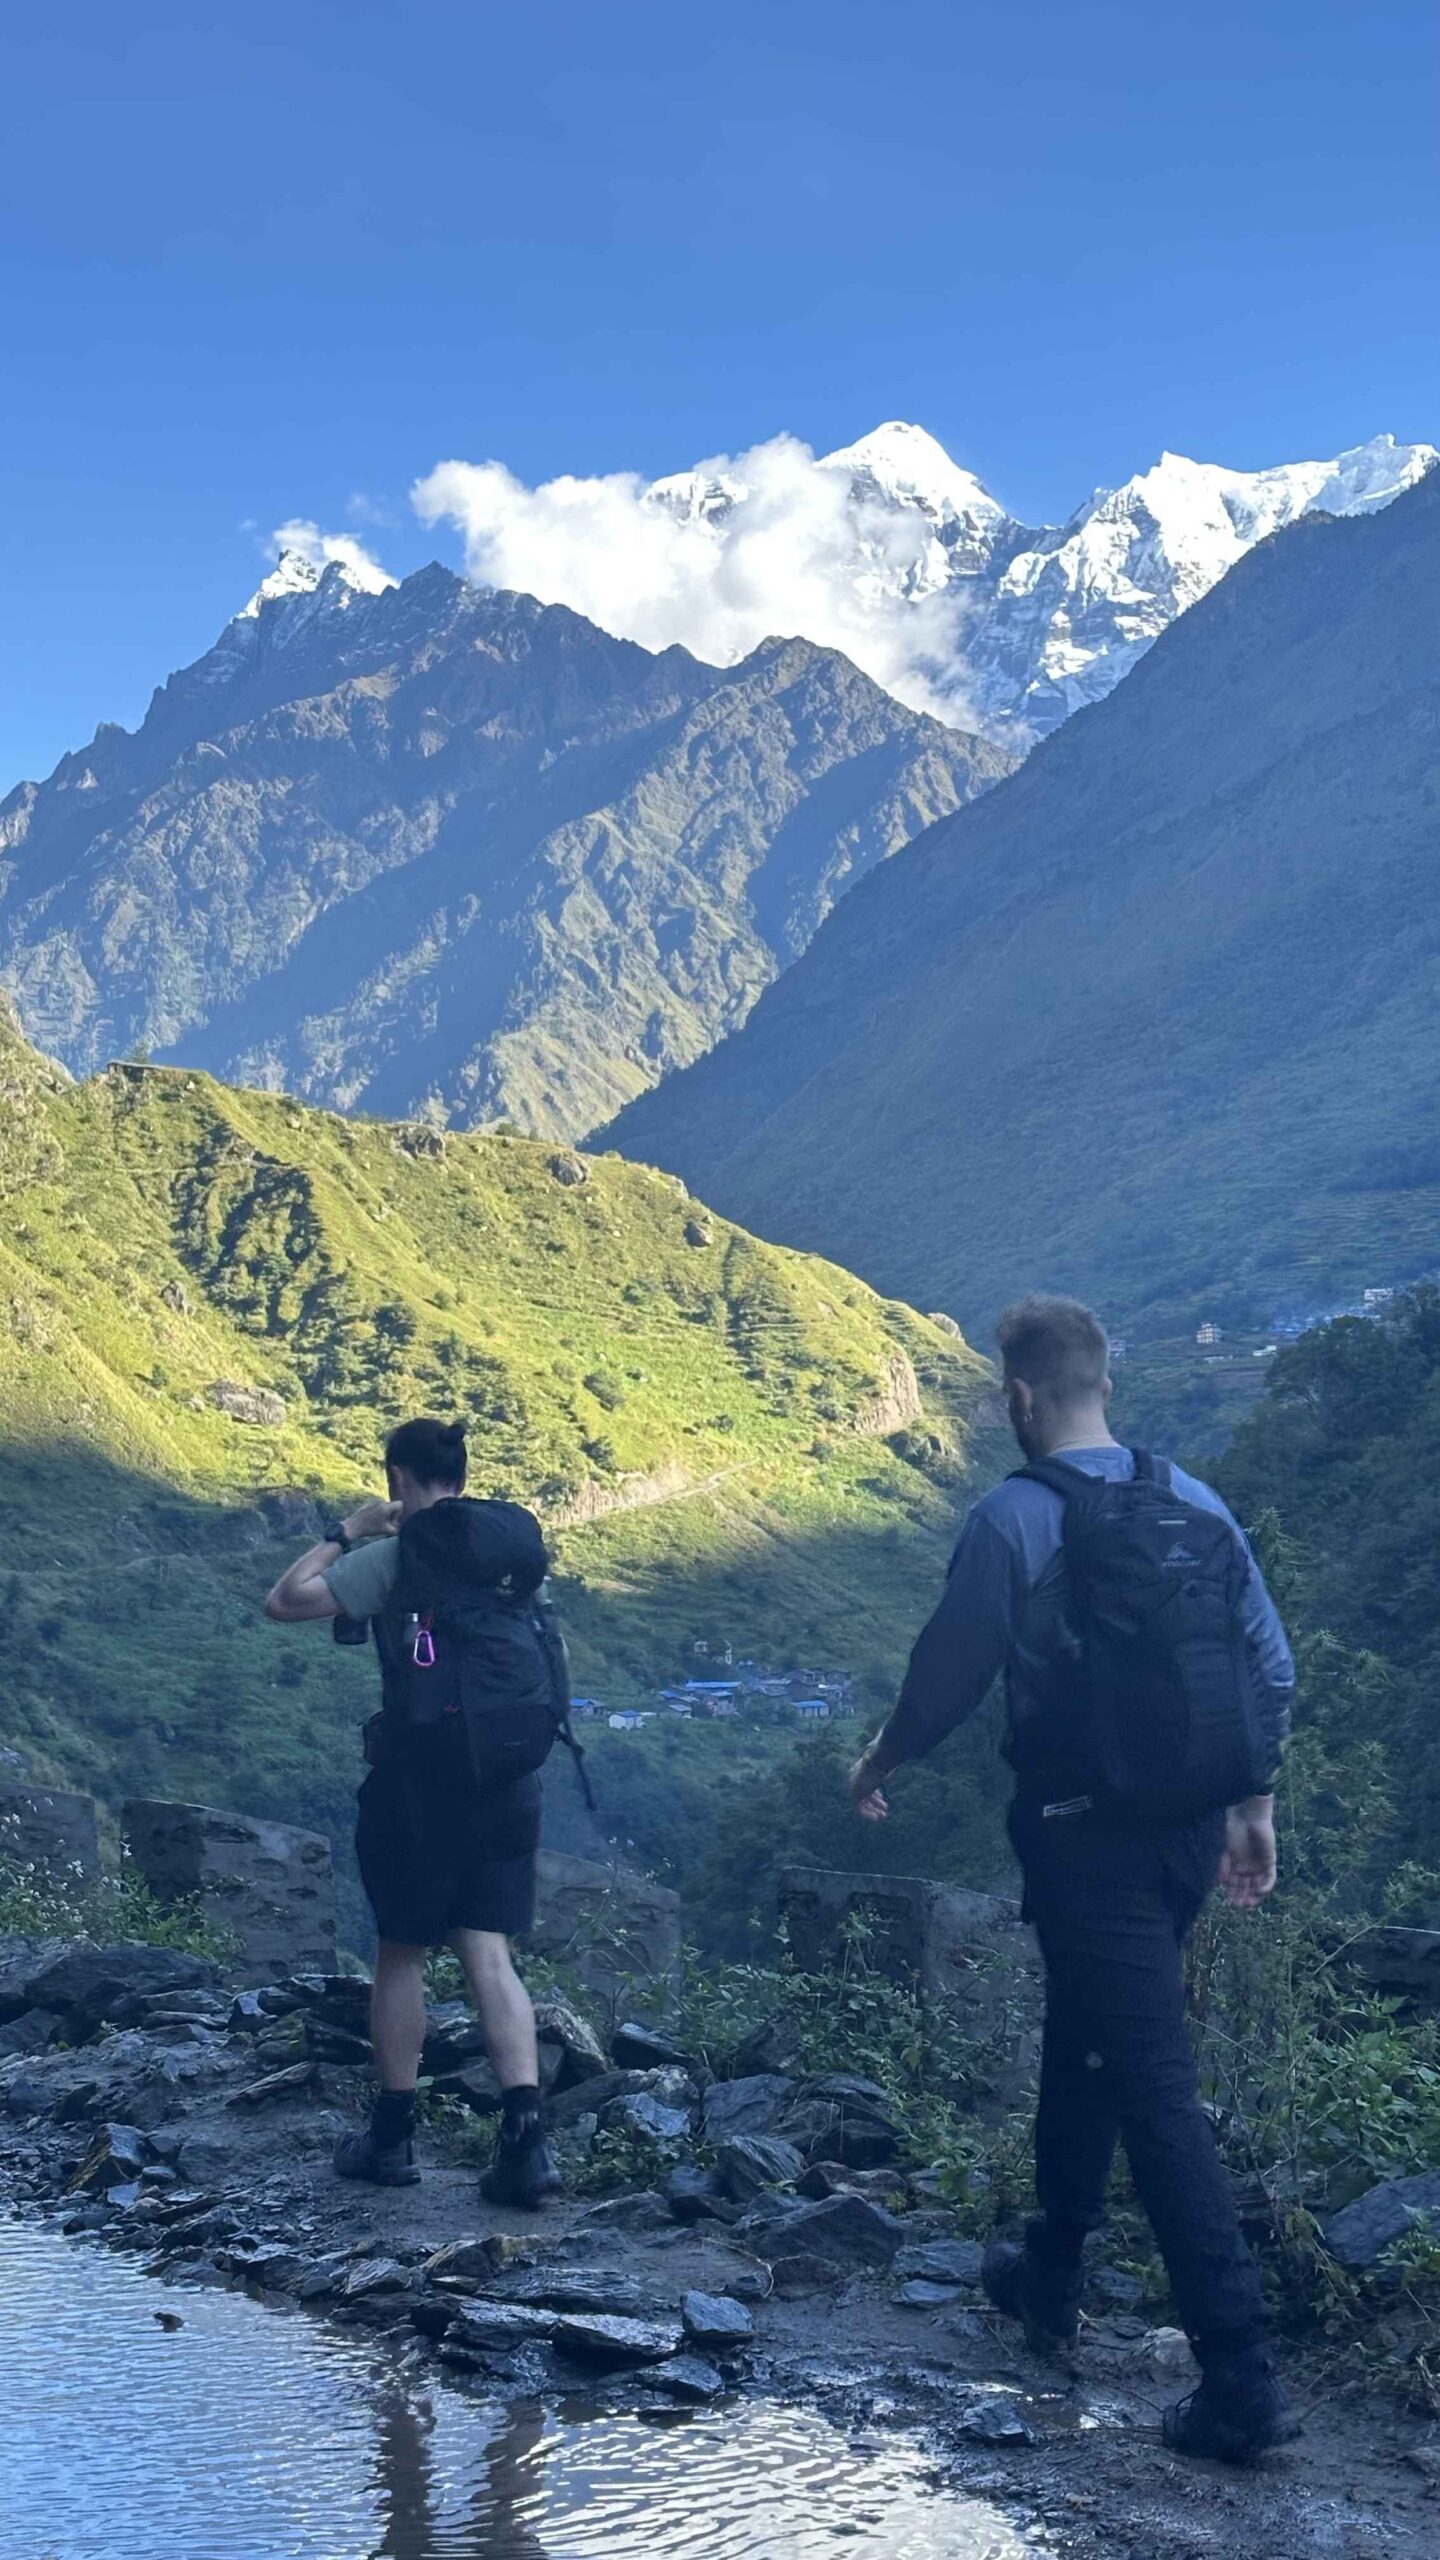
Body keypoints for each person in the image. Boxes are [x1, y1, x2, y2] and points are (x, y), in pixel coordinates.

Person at [847, 1295, 1299, 2463]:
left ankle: (1240, 2373)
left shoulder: (1012, 1519)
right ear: (1106, 1384)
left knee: (1149, 2078)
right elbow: (1269, 1665)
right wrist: (1251, 1807)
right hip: (1190, 1829)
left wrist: (882, 1759)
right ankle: (1049, 2268)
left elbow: (948, 1673)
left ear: (1019, 1400)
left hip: (1081, 1829)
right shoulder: (1195, 1500)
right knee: (1094, 2031)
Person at [265, 1415, 562, 2208]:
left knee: (402, 1951)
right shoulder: (510, 1562)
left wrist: (344, 1531)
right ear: (462, 1476)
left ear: (399, 1477)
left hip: (421, 1785)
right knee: (489, 1955)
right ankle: (526, 2150)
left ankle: (392, 2138)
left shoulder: (399, 1558)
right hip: (509, 1781)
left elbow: (286, 1600)